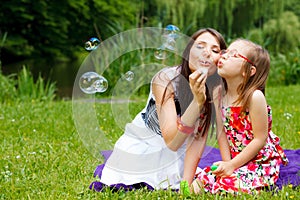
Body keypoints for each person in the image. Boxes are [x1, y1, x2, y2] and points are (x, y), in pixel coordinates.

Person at [90, 28, 227, 191]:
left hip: (182, 149)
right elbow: (172, 142)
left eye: (215, 50)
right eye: (200, 46)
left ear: (220, 59)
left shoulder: (215, 88)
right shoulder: (165, 79)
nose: (207, 53)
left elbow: (198, 139)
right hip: (146, 149)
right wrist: (197, 103)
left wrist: (186, 184)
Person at [191, 39, 289, 194]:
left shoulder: (254, 97)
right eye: (225, 52)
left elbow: (260, 139)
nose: (224, 56)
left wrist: (232, 166)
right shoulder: (217, 94)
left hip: (259, 161)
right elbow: (221, 133)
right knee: (197, 184)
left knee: (227, 185)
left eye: (233, 55)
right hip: (235, 159)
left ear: (249, 71)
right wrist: (227, 164)